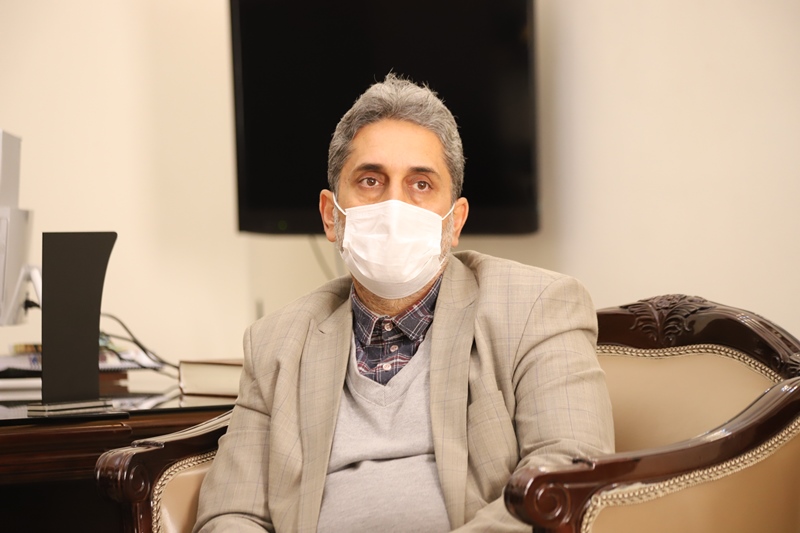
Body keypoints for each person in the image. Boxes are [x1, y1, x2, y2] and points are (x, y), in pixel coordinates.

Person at [194, 73, 614, 532]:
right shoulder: (275, 343)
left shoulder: (538, 308)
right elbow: (231, 512)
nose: (394, 206)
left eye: (421, 184)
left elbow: (569, 472)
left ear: (454, 222)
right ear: (332, 216)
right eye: (370, 180)